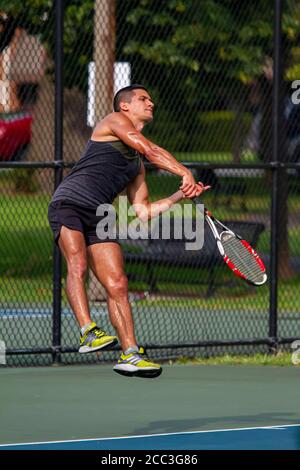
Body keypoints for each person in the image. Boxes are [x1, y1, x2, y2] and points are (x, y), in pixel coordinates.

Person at [48, 84, 209, 378]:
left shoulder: (136, 166)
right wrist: (184, 172)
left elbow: (143, 211)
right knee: (78, 263)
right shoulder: (114, 122)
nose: (151, 103)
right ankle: (88, 331)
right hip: (68, 202)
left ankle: (131, 353)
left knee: (118, 283)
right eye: (143, 99)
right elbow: (150, 148)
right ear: (124, 106)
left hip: (100, 214)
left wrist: (178, 196)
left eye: (150, 98)